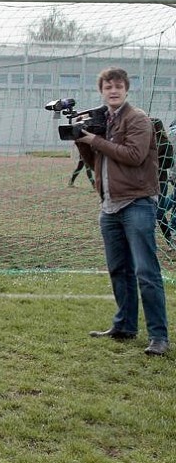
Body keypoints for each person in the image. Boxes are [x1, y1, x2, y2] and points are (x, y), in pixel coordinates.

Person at [77, 67, 169, 356]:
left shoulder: (138, 119)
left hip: (137, 202)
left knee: (146, 271)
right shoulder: (103, 120)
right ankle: (125, 325)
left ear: (126, 89)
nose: (113, 90)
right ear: (101, 91)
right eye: (108, 87)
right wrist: (82, 140)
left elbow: (134, 156)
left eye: (118, 86)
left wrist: (96, 140)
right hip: (109, 205)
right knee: (119, 269)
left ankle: (158, 336)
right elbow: (97, 163)